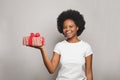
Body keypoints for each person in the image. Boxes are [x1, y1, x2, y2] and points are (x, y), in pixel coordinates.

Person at [27, 9, 93, 80]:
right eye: (65, 27)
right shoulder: (59, 46)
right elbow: (51, 70)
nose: (67, 29)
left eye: (71, 26)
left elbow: (89, 72)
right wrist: (42, 49)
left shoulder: (86, 47)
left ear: (77, 27)